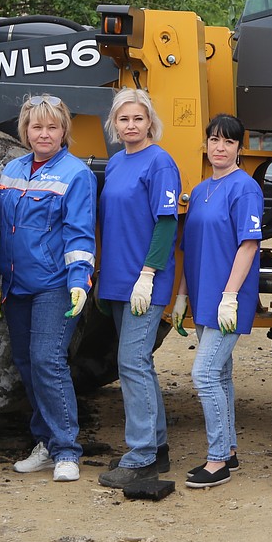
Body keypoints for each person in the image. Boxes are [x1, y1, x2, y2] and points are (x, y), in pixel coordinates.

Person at [0, 94, 96, 483]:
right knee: (27, 364)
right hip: (15, 285)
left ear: (64, 130)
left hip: (55, 284)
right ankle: (45, 442)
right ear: (25, 131)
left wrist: (79, 279)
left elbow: (79, 234)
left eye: (52, 127)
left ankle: (67, 450)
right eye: (36, 126)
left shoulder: (76, 174)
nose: (43, 134)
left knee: (47, 360)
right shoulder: (11, 170)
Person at [94, 89, 180, 489]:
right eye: (123, 119)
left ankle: (142, 455)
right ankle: (156, 448)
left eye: (138, 119)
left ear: (150, 122)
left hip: (144, 281)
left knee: (131, 362)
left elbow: (166, 223)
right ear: (115, 124)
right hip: (115, 280)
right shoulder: (115, 163)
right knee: (137, 365)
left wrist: (148, 274)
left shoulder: (160, 162)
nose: (131, 125)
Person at [175, 113, 263, 489]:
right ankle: (228, 450)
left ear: (239, 148)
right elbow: (188, 249)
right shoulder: (198, 191)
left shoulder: (245, 189)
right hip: (201, 295)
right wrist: (181, 296)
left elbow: (248, 244)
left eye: (228, 142)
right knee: (221, 374)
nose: (219, 147)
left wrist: (230, 296)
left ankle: (216, 461)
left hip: (229, 298)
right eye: (214, 140)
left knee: (205, 374)